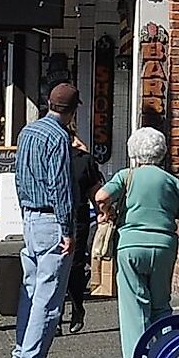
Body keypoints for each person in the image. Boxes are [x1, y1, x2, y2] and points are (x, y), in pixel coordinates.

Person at [97, 126, 179, 358]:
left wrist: (106, 211)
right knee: (161, 304)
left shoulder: (126, 175)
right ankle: (168, 353)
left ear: (134, 152)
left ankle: (137, 357)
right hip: (164, 246)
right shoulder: (172, 181)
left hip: (130, 245)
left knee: (134, 304)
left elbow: (101, 196)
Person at [9, 80, 79, 358]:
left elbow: (19, 176)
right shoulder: (59, 137)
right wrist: (68, 229)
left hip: (30, 216)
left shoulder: (28, 131)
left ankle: (21, 351)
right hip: (51, 218)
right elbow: (60, 185)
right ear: (73, 111)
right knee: (48, 294)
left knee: (31, 287)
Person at [63, 132, 105, 334]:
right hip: (51, 217)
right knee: (52, 268)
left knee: (75, 266)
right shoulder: (49, 156)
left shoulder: (84, 160)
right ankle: (54, 317)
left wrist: (101, 213)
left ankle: (77, 307)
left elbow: (94, 189)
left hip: (77, 218)